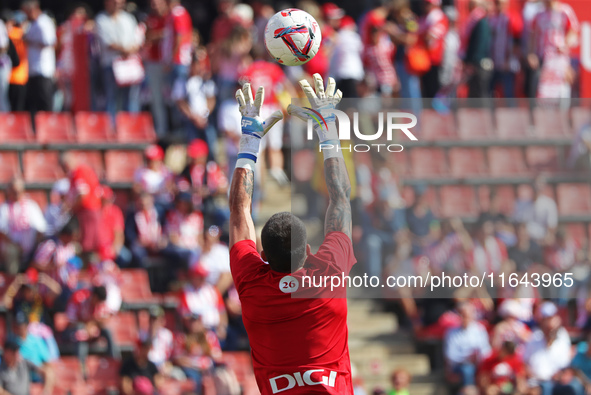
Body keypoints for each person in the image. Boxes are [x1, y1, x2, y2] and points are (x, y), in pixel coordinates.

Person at [230, 75, 355, 393]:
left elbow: (238, 212)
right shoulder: (328, 272)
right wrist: (327, 130)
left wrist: (249, 143)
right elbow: (340, 197)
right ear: (310, 249)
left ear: (263, 256)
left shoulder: (252, 283)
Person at [95, 0, 142, 119]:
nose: (117, 5)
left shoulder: (129, 18)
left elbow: (137, 38)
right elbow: (107, 42)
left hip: (129, 64)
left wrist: (131, 50)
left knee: (131, 97)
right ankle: (112, 128)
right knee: (112, 98)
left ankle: (131, 125)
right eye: (114, 2)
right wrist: (124, 50)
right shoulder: (101, 19)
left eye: (119, 2)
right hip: (111, 64)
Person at [65, 285, 120, 377]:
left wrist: (92, 325)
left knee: (107, 331)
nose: (98, 304)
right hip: (73, 333)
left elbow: (105, 319)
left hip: (92, 331)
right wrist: (87, 326)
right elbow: (70, 321)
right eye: (97, 301)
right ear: (94, 296)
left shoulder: (101, 304)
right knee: (81, 332)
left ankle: (115, 362)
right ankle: (81, 366)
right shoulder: (79, 299)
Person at [528, 0, 578, 99]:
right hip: (543, 59)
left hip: (560, 60)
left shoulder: (565, 12)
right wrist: (531, 54)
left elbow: (573, 32)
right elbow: (532, 36)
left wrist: (565, 44)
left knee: (562, 91)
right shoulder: (538, 15)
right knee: (542, 92)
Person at [0, 178, 47, 275]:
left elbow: (41, 229)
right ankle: (13, 281)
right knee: (11, 251)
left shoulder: (31, 206)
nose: (16, 193)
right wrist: (16, 245)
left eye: (18, 190)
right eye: (13, 191)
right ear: (8, 192)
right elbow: (2, 231)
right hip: (13, 247)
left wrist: (35, 245)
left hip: (32, 247)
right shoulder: (4, 207)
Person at [62, 152, 102, 260]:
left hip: (87, 212)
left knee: (87, 246)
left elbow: (82, 195)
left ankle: (88, 272)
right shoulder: (78, 173)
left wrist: (70, 207)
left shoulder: (80, 172)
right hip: (86, 212)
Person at [172, 53, 217, 147]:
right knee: (193, 145)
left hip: (205, 119)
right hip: (189, 120)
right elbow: (180, 102)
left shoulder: (207, 81)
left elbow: (211, 99)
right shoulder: (182, 81)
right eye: (195, 64)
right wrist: (194, 117)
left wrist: (204, 115)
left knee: (211, 144)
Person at [444, 302, 492, 389]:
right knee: (467, 369)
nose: (465, 317)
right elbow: (450, 355)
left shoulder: (480, 329)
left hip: (479, 363)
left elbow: (486, 350)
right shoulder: (451, 332)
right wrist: (467, 358)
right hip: (459, 366)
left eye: (467, 314)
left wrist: (477, 357)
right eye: (462, 314)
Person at [21, 0, 56, 114]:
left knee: (45, 103)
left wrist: (30, 41)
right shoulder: (33, 23)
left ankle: (49, 128)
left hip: (43, 70)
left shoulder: (43, 22)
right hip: (33, 70)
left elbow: (50, 42)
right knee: (34, 104)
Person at [144, 0, 169, 138]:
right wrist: (163, 34)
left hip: (169, 63)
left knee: (175, 97)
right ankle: (161, 129)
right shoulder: (150, 19)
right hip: (154, 63)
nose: (155, 6)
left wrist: (159, 35)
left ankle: (176, 127)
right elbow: (148, 37)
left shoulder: (170, 17)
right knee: (157, 98)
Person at [462, 0, 492, 98]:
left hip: (478, 64)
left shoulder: (481, 21)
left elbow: (481, 43)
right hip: (475, 62)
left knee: (479, 92)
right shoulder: (474, 21)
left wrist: (474, 61)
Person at [419, 0, 448, 98]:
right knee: (425, 90)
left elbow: (430, 36)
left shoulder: (439, 17)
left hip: (434, 59)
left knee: (433, 89)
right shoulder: (425, 17)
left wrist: (419, 37)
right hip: (422, 59)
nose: (425, 5)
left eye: (428, 3)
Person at [329, 16, 364, 99]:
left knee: (344, 101)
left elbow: (333, 56)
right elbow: (361, 51)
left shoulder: (338, 36)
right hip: (356, 73)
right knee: (354, 101)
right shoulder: (356, 37)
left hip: (342, 73)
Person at [7, 11, 28, 112]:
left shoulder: (9, 33)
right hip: (21, 76)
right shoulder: (24, 35)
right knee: (19, 111)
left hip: (7, 76)